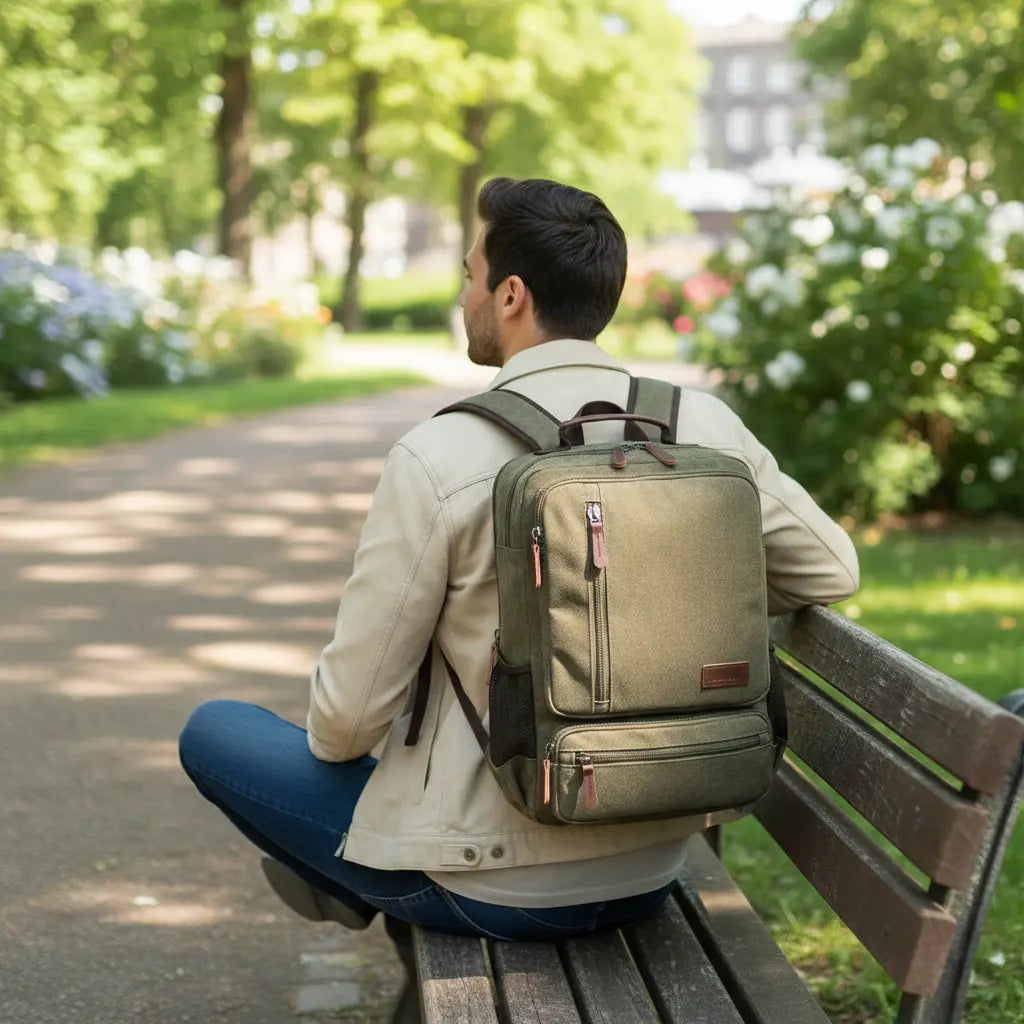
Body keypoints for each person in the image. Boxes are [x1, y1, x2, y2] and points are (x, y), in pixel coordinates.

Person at [179, 177, 859, 945]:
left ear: (510, 295)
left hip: (491, 883)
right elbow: (830, 571)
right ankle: (346, 882)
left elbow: (343, 729)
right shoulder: (700, 424)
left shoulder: (438, 452)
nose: (462, 295)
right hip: (652, 866)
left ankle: (344, 885)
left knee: (215, 730)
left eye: (468, 275)